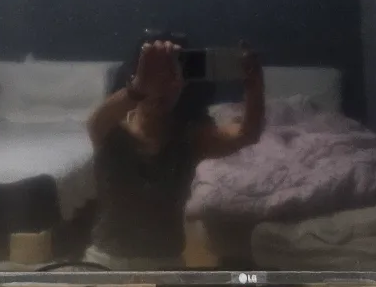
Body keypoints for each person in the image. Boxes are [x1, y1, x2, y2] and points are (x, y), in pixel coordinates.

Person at [84, 32, 265, 269]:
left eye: (173, 77)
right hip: (105, 262)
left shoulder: (189, 136)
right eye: (156, 77)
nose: (163, 88)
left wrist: (254, 85)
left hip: (165, 265)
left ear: (184, 85)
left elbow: (247, 133)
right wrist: (139, 88)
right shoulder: (111, 127)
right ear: (135, 77)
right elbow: (96, 120)